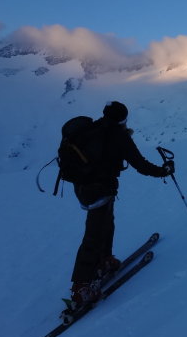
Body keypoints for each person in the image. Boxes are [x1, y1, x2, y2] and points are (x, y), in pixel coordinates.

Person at [70, 101, 174, 305]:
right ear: (123, 119)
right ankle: (80, 288)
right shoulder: (119, 136)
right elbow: (141, 165)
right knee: (94, 233)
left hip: (84, 187)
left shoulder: (94, 128)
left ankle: (104, 260)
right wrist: (164, 171)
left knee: (106, 223)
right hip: (99, 189)